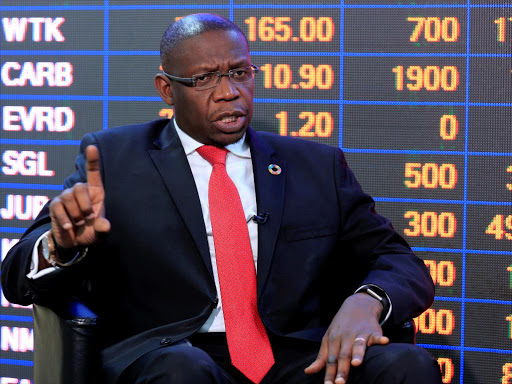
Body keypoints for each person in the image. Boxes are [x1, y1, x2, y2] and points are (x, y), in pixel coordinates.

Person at [1, 13, 442, 384]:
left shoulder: (314, 165)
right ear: (167, 90)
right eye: (205, 78)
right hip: (175, 352)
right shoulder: (115, 160)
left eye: (239, 72)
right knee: (183, 371)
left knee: (407, 364)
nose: (230, 91)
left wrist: (368, 301)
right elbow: (16, 278)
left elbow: (400, 262)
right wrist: (60, 245)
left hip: (296, 356)